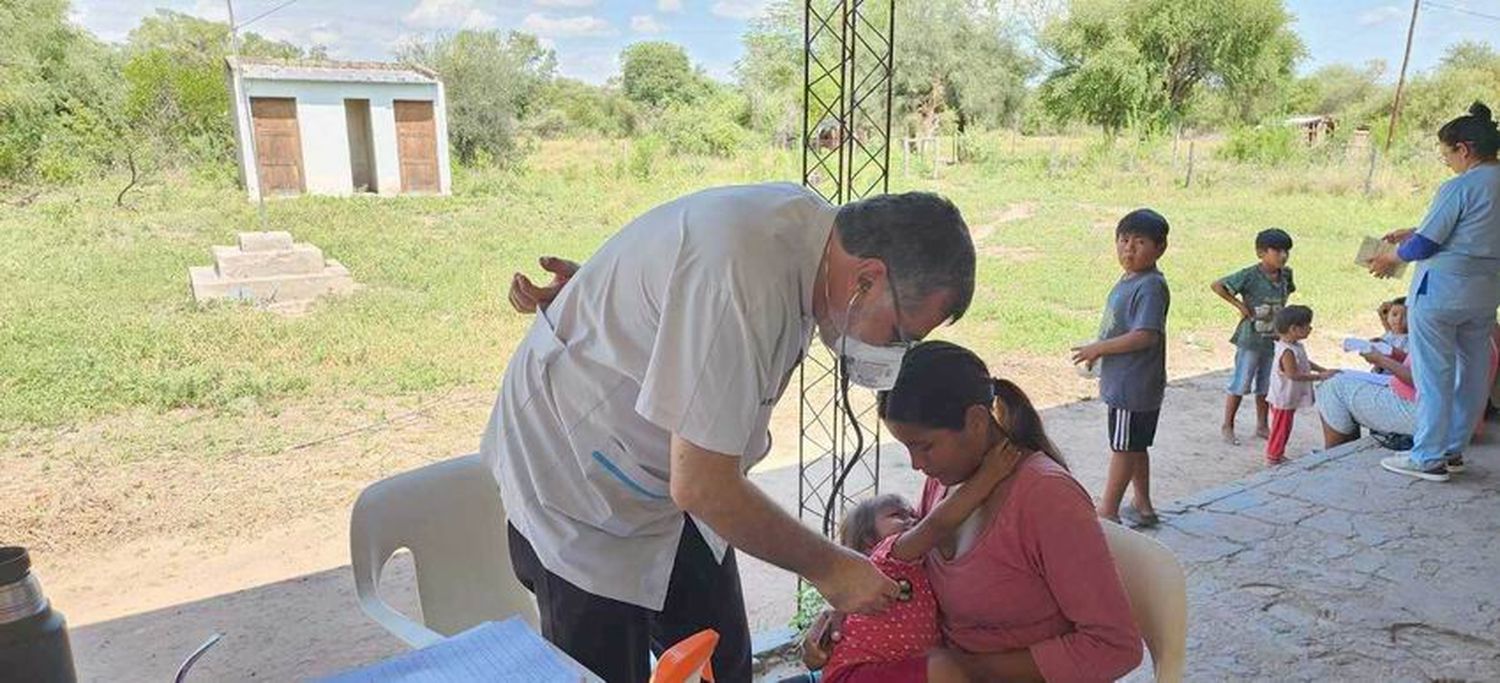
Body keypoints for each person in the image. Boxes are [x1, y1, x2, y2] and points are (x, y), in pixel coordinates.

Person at [485, 183, 978, 682]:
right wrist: (832, 569)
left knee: (722, 664)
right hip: (578, 486)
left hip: (671, 478)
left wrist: (611, 300)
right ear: (866, 280)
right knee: (605, 671)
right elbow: (702, 485)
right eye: (900, 335)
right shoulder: (741, 274)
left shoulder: (812, 245)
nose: (894, 353)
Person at [805, 341, 1143, 682]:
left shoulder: (1047, 498)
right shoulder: (944, 482)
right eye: (908, 447)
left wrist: (966, 671)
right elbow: (912, 576)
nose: (915, 464)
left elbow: (1115, 648)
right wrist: (847, 619)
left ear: (977, 421)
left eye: (925, 446)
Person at [1370, 102, 1500, 481]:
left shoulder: (1459, 186)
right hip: (1485, 292)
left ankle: (1427, 456)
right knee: (1474, 372)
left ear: (1464, 149)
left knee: (1434, 374)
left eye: (1446, 154)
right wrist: (1414, 230)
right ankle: (1453, 450)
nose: (1446, 162)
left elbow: (1425, 245)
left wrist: (1391, 256)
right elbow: (1475, 228)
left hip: (1440, 292)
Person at [822, 442, 1022, 683]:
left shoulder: (917, 566)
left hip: (891, 669)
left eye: (913, 515)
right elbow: (937, 524)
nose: (912, 519)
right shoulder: (888, 555)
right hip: (857, 674)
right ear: (868, 540)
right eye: (897, 515)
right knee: (945, 669)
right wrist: (989, 476)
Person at [1072, 209, 1171, 529]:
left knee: (1123, 448)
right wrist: (1099, 351)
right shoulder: (1131, 278)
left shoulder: (1151, 286)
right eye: (1123, 240)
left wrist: (1098, 348)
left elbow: (1145, 335)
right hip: (1128, 380)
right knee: (1134, 444)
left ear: (1160, 248)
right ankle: (1142, 504)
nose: (1129, 249)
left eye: (1139, 242)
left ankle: (1109, 510)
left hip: (1134, 384)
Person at [1210, 228, 1297, 446]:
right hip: (1251, 339)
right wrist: (1240, 305)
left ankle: (1262, 425)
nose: (1283, 256)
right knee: (1240, 383)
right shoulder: (1249, 275)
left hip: (1274, 340)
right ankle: (1228, 425)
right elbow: (1218, 285)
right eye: (1276, 251)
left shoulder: (1286, 274)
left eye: (1286, 251)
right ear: (1261, 253)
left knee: (1266, 386)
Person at [1265, 306, 1335, 465]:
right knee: (1281, 427)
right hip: (1284, 396)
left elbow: (1304, 362)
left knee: (1282, 425)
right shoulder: (1287, 351)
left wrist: (1322, 370)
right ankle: (1273, 456)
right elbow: (1293, 374)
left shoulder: (1294, 345)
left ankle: (1276, 452)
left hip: (1286, 394)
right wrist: (1319, 377)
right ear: (1294, 329)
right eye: (1307, 325)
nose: (1310, 328)